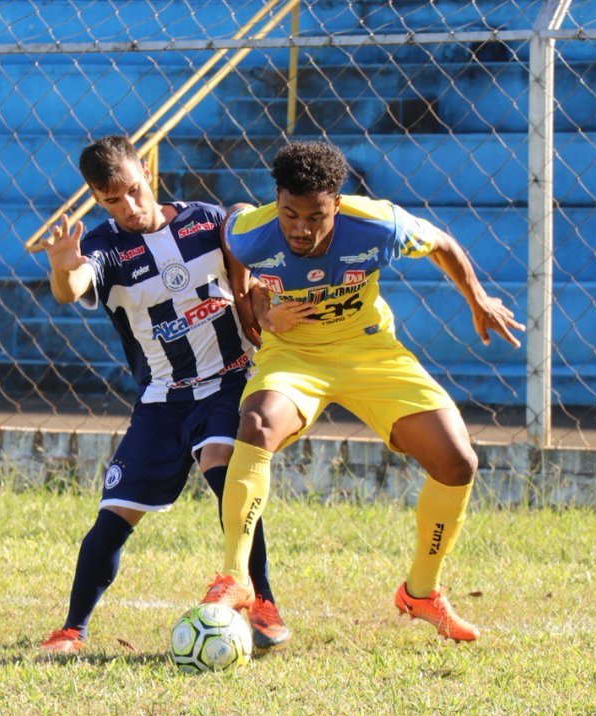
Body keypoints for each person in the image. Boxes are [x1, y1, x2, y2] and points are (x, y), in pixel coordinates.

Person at [200, 140, 524, 642]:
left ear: (337, 203)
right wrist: (257, 314)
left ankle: (421, 591)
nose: (301, 228)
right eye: (290, 214)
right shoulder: (252, 230)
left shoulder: (378, 223)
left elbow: (441, 243)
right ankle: (235, 577)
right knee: (257, 423)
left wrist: (478, 299)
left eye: (317, 216)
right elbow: (234, 245)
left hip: (370, 352)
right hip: (294, 356)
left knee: (457, 461)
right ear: (277, 201)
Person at [35, 135, 290, 654]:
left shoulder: (204, 220)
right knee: (114, 517)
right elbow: (75, 287)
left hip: (228, 382)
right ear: (96, 198)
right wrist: (63, 267)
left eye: (132, 190)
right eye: (111, 200)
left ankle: (262, 602)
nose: (127, 207)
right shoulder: (104, 247)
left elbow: (251, 267)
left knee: (224, 468)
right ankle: (72, 628)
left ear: (146, 171)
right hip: (159, 399)